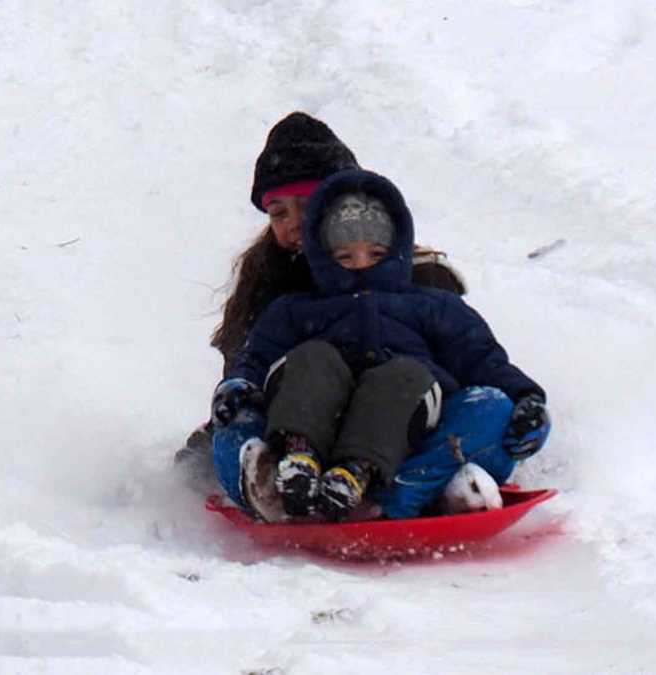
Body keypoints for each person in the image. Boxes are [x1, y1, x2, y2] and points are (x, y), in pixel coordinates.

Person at [210, 168, 551, 522]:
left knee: (484, 405)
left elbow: (483, 360)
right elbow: (256, 358)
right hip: (312, 430)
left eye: (375, 254)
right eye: (344, 257)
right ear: (321, 256)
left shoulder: (432, 305)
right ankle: (281, 484)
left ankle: (381, 497)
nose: (360, 266)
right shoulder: (294, 310)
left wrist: (528, 399)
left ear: (398, 250)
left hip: (403, 440)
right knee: (289, 379)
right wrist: (237, 389)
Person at [175, 112, 465, 488]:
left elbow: (462, 359)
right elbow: (247, 367)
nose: (294, 223)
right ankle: (269, 483)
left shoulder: (418, 276)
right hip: (299, 429)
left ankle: (425, 482)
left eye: (308, 205)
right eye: (279, 213)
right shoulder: (269, 284)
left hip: (401, 425)